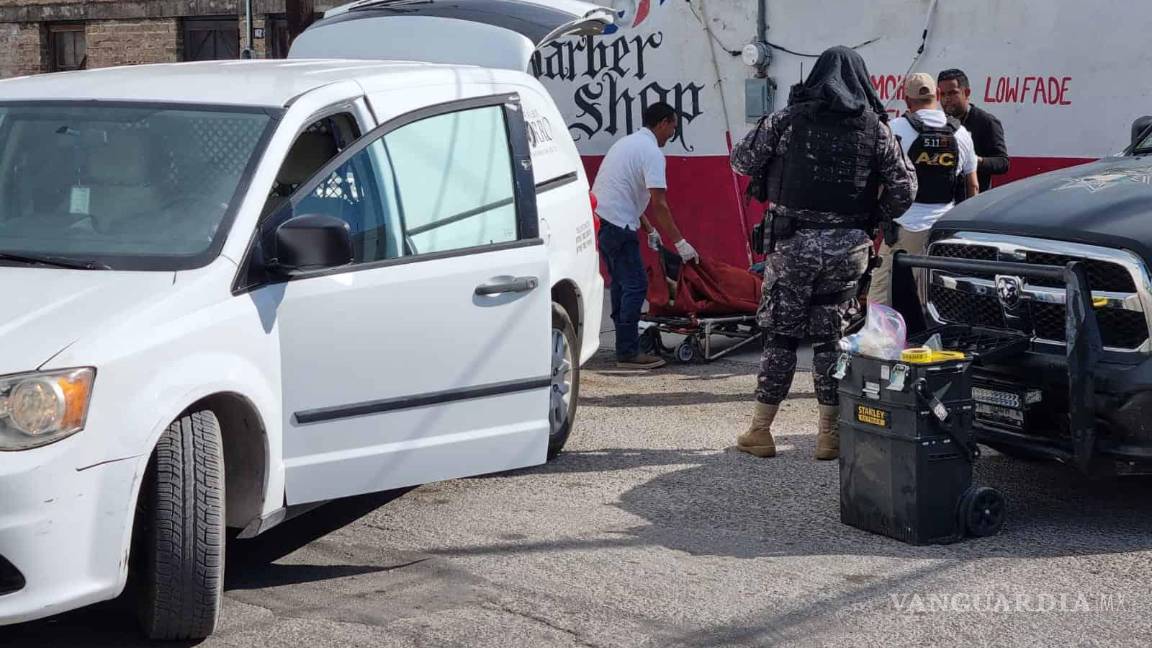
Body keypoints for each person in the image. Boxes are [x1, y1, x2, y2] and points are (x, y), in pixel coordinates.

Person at [730, 46, 916, 460]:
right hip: (848, 248)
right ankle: (829, 437)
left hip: (793, 245)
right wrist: (873, 216)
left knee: (781, 336)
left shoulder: (786, 120)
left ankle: (761, 432)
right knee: (831, 338)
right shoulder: (876, 129)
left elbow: (741, 161)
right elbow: (905, 188)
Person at [594, 102, 699, 370]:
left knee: (620, 286)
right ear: (663, 123)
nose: (673, 134)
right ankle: (629, 353)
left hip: (603, 220)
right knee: (635, 285)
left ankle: (624, 346)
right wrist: (680, 242)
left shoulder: (626, 144)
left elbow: (625, 192)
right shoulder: (652, 153)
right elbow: (659, 203)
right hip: (618, 225)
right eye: (673, 127)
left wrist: (649, 229)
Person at [867, 73, 978, 306]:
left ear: (907, 100)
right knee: (932, 295)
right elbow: (973, 186)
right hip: (943, 230)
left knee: (880, 293)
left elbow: (877, 180)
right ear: (937, 95)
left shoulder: (894, 129)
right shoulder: (961, 134)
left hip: (902, 229)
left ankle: (880, 329)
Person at [938, 68, 1010, 201]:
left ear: (966, 93)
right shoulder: (938, 122)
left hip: (975, 202)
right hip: (944, 202)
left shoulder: (986, 121)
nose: (946, 99)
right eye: (942, 94)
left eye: (952, 93)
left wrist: (974, 160)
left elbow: (1003, 163)